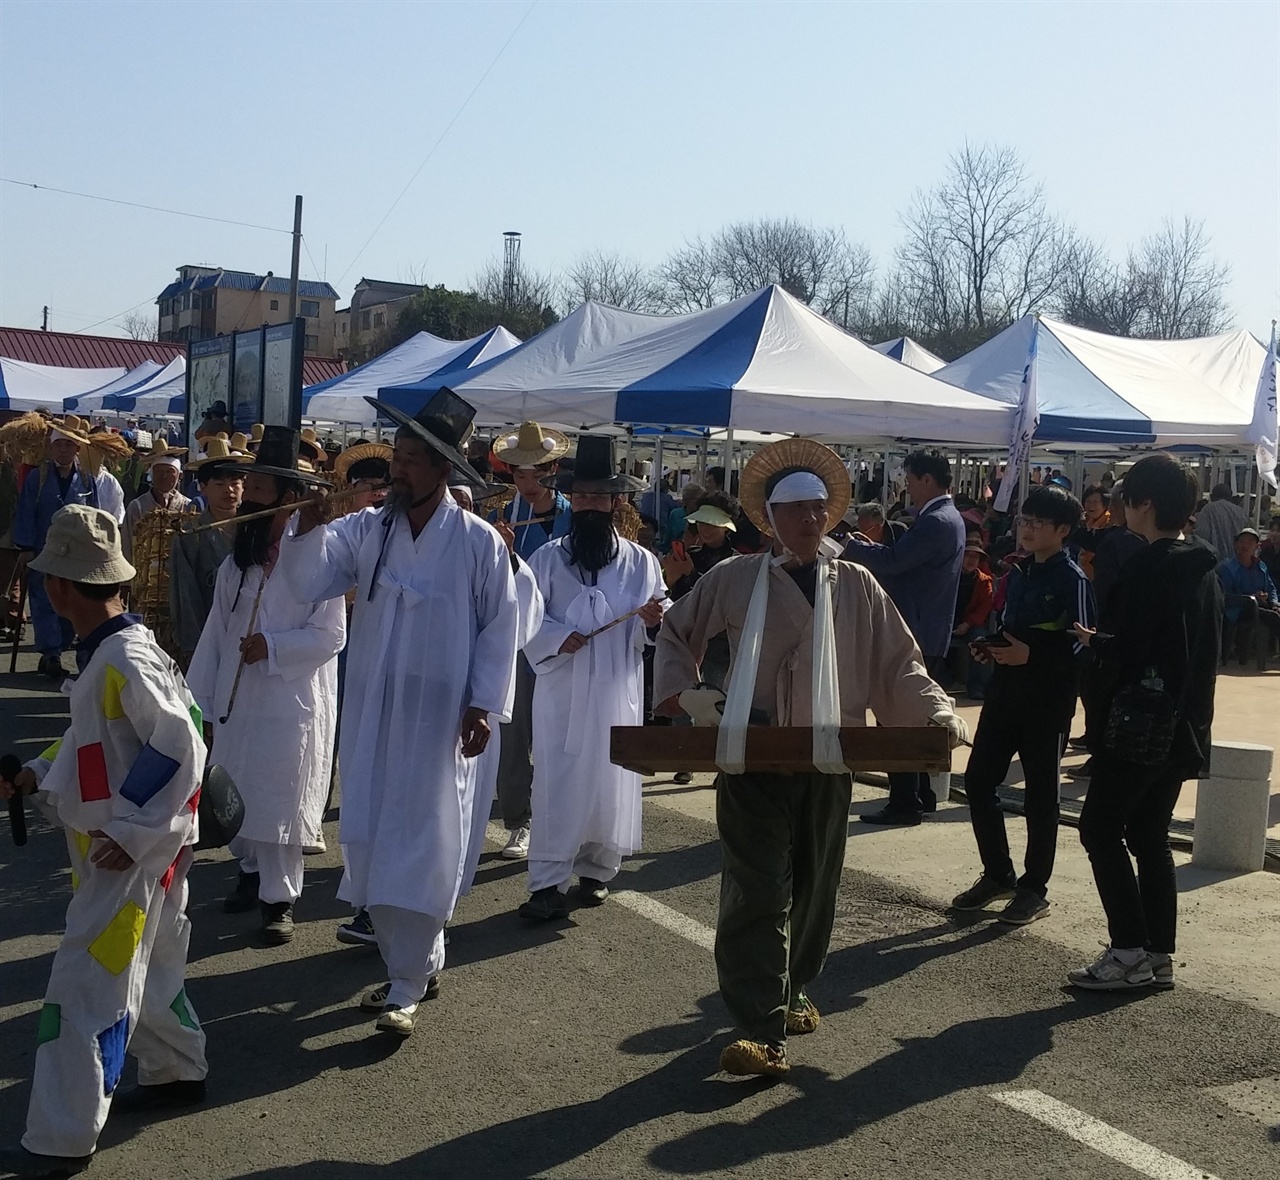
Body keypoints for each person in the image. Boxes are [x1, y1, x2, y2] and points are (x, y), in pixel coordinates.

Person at [653, 438, 966, 1077]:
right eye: (797, 511)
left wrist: (934, 712)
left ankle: (794, 984)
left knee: (817, 889)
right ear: (768, 519)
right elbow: (676, 630)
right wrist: (689, 694)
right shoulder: (735, 578)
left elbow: (897, 664)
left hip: (829, 755)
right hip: (751, 755)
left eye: (820, 509)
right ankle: (761, 1028)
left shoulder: (854, 583)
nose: (811, 521)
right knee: (757, 888)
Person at [280, 389, 518, 1037]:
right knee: (377, 836)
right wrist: (308, 524)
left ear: (444, 471)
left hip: (444, 718)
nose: (400, 469)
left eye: (414, 459)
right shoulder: (367, 529)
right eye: (398, 456)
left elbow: (501, 625)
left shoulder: (476, 541)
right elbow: (309, 582)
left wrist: (484, 704)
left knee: (429, 840)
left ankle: (407, 983)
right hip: (376, 715)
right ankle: (414, 962)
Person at [0, 506, 207, 1178]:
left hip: (128, 858)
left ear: (61, 587)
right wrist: (36, 773)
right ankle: (177, 1070)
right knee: (150, 976)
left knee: (84, 989)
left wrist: (130, 829)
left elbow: (182, 746)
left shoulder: (122, 658)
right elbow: (106, 744)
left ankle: (59, 1140)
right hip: (150, 855)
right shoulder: (124, 652)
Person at [186, 428, 344, 946]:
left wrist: (272, 647)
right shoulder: (238, 560)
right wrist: (200, 702)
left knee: (280, 794)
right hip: (238, 695)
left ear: (289, 499)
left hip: (289, 695)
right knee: (238, 783)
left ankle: (279, 900)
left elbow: (331, 635)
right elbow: (214, 634)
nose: (248, 496)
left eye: (258, 489)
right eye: (247, 486)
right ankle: (248, 873)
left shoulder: (321, 558)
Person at [1070, 454, 1220, 989]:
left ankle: (1128, 948)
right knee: (1150, 835)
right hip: (1185, 725)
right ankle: (1157, 952)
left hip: (1135, 727)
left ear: (1144, 504)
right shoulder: (1204, 568)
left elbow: (1128, 654)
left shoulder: (1146, 568)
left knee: (1101, 828)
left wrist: (1097, 650)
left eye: (1126, 498)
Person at [519, 435, 665, 921]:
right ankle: (546, 882)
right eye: (580, 496)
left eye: (598, 497)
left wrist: (652, 620)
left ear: (614, 502)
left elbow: (659, 612)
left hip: (615, 690)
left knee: (610, 778)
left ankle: (597, 870)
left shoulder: (641, 561)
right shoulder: (546, 559)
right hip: (562, 689)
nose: (588, 505)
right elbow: (525, 617)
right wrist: (558, 636)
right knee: (557, 779)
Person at [952, 484, 1095, 926]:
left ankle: (1035, 888)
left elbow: (1085, 649)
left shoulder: (1074, 581)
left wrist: (1032, 655)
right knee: (977, 783)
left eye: (1037, 523)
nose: (1027, 530)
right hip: (1003, 696)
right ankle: (999, 874)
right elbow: (1010, 629)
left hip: (1047, 705)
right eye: (1024, 521)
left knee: (1041, 798)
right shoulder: (1017, 573)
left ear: (1064, 530)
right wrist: (989, 648)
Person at [845, 449, 966, 824]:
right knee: (915, 713)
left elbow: (896, 561)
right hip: (926, 626)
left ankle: (905, 800)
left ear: (927, 480)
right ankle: (921, 793)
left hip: (915, 627)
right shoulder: (947, 518)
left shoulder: (937, 521)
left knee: (896, 715)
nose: (908, 488)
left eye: (911, 480)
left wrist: (853, 547)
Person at [487, 423, 572, 861]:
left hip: (565, 640)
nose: (528, 481)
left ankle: (560, 817)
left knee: (559, 734)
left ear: (553, 470)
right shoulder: (498, 519)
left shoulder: (573, 515)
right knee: (515, 733)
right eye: (520, 473)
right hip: (519, 640)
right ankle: (519, 820)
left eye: (537, 472)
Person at [14, 417, 127, 679]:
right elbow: (26, 511)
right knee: (43, 599)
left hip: (77, 553)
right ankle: (50, 653)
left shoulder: (87, 480)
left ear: (77, 449)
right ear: (51, 448)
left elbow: (95, 515)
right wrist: (26, 546)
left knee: (73, 600)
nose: (63, 450)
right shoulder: (37, 477)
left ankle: (63, 643)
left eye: (68, 445)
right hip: (45, 547)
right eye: (59, 445)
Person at [1067, 480, 1147, 779]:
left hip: (1107, 629)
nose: (1112, 506)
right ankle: (1098, 746)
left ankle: (1100, 758)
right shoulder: (1142, 541)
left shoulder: (1118, 540)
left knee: (1099, 693)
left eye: (1116, 501)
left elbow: (1106, 589)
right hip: (1126, 631)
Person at [167, 440, 248, 668]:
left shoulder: (254, 529)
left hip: (248, 635)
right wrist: (193, 646)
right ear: (203, 487)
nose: (229, 490)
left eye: (235, 483)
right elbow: (185, 595)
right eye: (220, 483)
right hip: (208, 632)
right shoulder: (190, 534)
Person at [1217, 527, 1280, 666]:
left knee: (1275, 611)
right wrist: (1252, 598)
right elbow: (1226, 595)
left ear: (1257, 546)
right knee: (1272, 616)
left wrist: (1274, 602)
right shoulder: (1227, 567)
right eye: (1242, 541)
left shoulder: (1261, 566)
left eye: (1250, 542)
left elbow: (1270, 587)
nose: (1245, 545)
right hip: (1236, 610)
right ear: (1236, 544)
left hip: (1259, 607)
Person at [122, 441, 191, 563]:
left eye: (170, 472)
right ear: (152, 475)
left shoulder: (187, 506)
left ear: (179, 476)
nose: (164, 476)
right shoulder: (137, 507)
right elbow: (127, 545)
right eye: (159, 472)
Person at [950, 540, 995, 700]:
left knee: (981, 641)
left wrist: (967, 624)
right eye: (967, 555)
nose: (971, 560)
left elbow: (984, 608)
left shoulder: (984, 581)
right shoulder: (948, 576)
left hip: (970, 624)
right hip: (946, 622)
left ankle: (977, 687)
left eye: (975, 557)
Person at [1191, 482, 1246, 561]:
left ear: (1212, 497)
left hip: (1215, 561)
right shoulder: (1240, 512)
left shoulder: (1208, 509)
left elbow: (1201, 535)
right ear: (1230, 497)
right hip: (1236, 564)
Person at [1071, 485, 1111, 580]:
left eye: (1095, 502)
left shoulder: (1109, 523)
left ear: (1105, 505)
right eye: (1088, 501)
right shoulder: (1083, 520)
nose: (1091, 505)